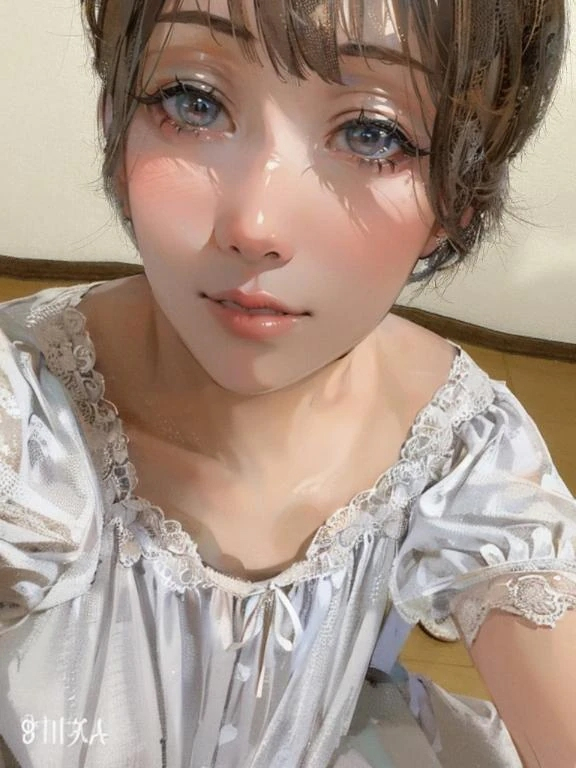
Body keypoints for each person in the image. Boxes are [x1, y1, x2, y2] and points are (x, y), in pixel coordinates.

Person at [0, 0, 574, 765]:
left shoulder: (461, 447)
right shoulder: (29, 404)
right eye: (192, 101)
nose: (256, 224)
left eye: (372, 133)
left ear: (458, 197)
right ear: (115, 120)